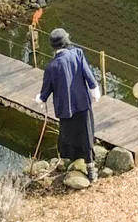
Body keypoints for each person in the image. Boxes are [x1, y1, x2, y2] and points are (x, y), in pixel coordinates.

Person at [39, 28, 101, 166]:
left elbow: (46, 88)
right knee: (86, 133)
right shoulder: (77, 54)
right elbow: (88, 74)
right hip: (82, 103)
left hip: (65, 108)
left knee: (68, 134)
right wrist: (94, 89)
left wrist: (41, 98)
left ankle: (70, 160)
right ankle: (91, 166)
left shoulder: (51, 66)